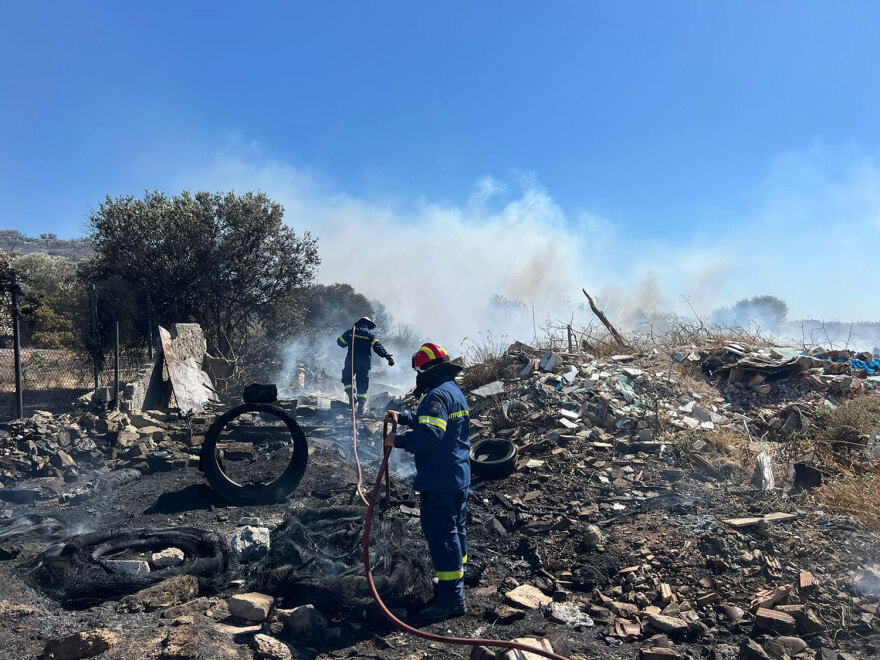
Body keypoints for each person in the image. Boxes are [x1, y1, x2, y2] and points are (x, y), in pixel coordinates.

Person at [384, 342, 470, 621]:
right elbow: (431, 422)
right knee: (457, 530)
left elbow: (430, 436)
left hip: (439, 480)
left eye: (420, 371)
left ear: (428, 371)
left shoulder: (435, 397)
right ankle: (457, 581)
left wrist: (396, 440)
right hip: (458, 476)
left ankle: (451, 600)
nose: (418, 377)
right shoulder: (453, 392)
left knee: (443, 536)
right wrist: (404, 417)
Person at [337, 317, 394, 414]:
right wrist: (386, 355)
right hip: (364, 364)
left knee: (347, 378)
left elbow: (340, 342)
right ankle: (361, 407)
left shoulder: (351, 331)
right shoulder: (369, 334)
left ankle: (351, 398)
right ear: (368, 325)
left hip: (351, 361)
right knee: (362, 384)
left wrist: (349, 341)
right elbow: (377, 346)